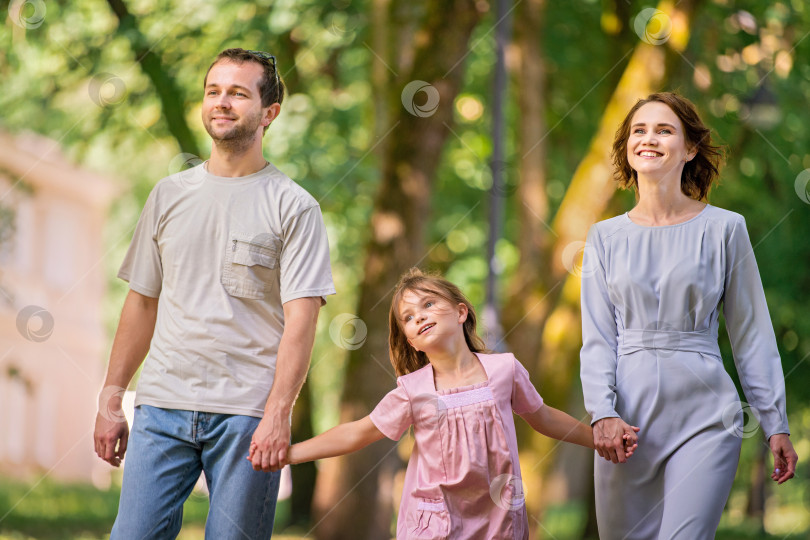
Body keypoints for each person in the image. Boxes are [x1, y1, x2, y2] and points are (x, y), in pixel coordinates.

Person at [93, 48, 336, 539]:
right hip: (162, 406)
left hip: (246, 415)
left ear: (269, 113)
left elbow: (302, 322)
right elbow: (141, 303)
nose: (222, 102)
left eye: (238, 93)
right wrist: (110, 398)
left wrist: (277, 415)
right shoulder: (168, 195)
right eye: (213, 91)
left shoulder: (294, 206)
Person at [272, 268, 638, 539]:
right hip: (432, 522)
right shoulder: (412, 390)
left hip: (497, 522)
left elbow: (542, 418)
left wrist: (599, 438)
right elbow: (359, 432)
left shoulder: (503, 370)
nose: (419, 318)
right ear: (412, 342)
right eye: (409, 319)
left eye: (428, 304)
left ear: (461, 312)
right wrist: (289, 453)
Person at [580, 91, 798, 539]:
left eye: (664, 130)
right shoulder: (603, 237)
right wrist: (602, 412)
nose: (649, 139)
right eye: (639, 130)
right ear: (626, 147)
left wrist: (774, 420)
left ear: (690, 148)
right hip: (627, 420)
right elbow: (598, 337)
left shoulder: (724, 228)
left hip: (706, 416)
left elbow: (750, 331)